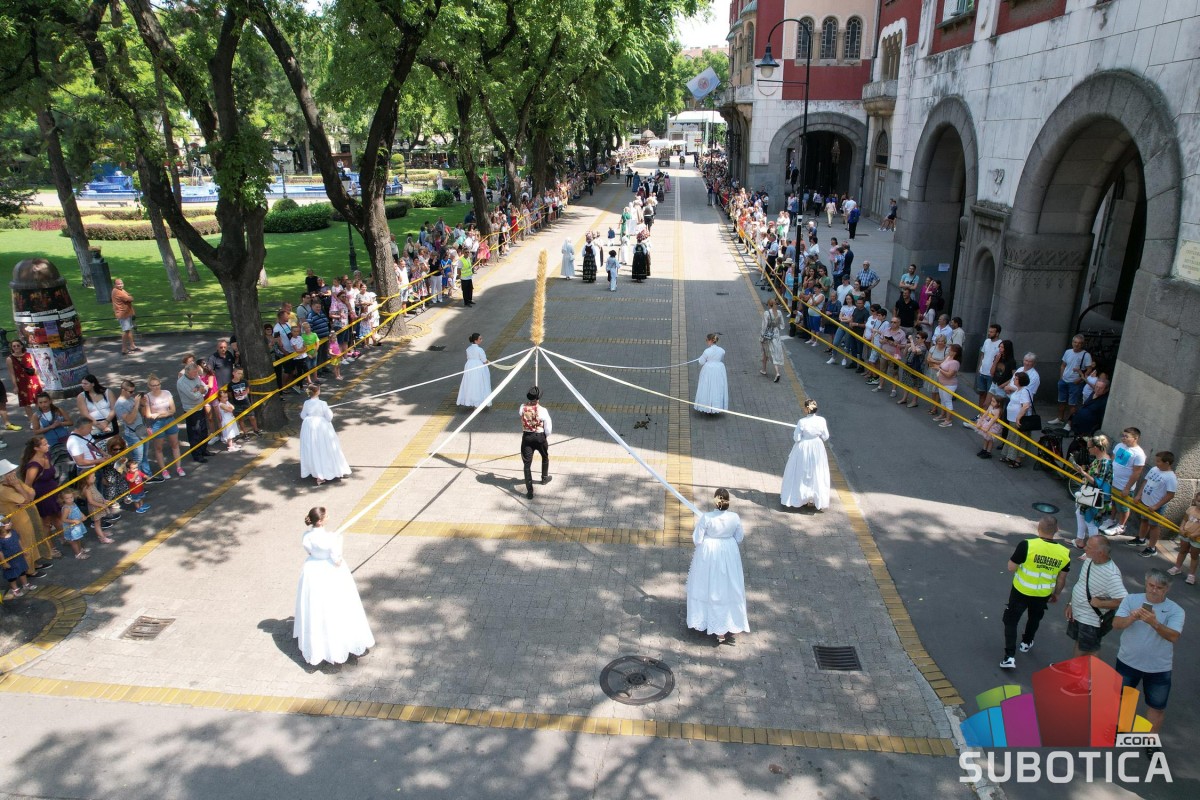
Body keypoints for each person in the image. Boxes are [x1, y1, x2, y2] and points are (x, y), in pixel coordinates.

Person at [293, 507, 375, 666]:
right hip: (331, 573)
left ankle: (320, 645)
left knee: (317, 607)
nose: (328, 517)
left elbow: (310, 552)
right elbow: (337, 560)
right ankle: (341, 643)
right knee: (339, 605)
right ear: (320, 521)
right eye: (326, 516)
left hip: (313, 572)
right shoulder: (332, 538)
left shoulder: (306, 536)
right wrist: (338, 543)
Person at [1112, 569, 1184, 734]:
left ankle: (1150, 739)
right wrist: (1132, 618)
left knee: (1157, 707)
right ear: (1146, 583)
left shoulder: (1176, 610)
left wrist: (1154, 623)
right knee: (1123, 698)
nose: (1153, 590)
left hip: (1158, 668)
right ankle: (1121, 728)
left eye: (1159, 587)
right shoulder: (1131, 599)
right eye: (1151, 585)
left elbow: (1173, 636)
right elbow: (1116, 624)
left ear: (1167, 589)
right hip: (1127, 662)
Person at [999, 516, 1071, 669]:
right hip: (1042, 594)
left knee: (1011, 620)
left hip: (1021, 591)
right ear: (1057, 530)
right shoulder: (1064, 552)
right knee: (1034, 618)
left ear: (1038, 529)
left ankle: (1009, 656)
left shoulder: (1027, 545)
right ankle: (1026, 642)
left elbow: (1011, 567)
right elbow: (1061, 578)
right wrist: (1056, 594)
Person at [686, 488, 749, 646]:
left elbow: (697, 539)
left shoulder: (707, 517)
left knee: (707, 585)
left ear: (715, 501)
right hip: (729, 553)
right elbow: (739, 537)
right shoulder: (734, 517)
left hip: (709, 554)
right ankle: (728, 623)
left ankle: (705, 620)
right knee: (729, 586)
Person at [1065, 535, 1126, 658]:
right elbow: (1081, 583)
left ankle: (1083, 670)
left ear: (1101, 553)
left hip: (1091, 619)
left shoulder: (1111, 575)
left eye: (1089, 547)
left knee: (1089, 649)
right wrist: (1071, 604)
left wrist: (1101, 604)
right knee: (1080, 643)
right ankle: (1075, 668)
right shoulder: (1089, 560)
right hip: (1079, 613)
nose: (1085, 548)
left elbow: (1124, 600)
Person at [0, 458, 51, 580]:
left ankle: (35, 563)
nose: (14, 473)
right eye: (11, 472)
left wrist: (19, 487)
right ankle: (29, 570)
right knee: (26, 543)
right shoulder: (3, 490)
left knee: (33, 539)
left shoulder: (14, 482)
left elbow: (32, 493)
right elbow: (26, 500)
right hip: (18, 520)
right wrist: (18, 487)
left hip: (27, 515)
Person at [779, 399, 831, 510]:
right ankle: (813, 498)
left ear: (807, 409)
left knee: (801, 472)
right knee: (817, 472)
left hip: (804, 448)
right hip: (817, 447)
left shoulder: (802, 422)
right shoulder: (821, 420)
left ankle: (800, 497)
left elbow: (797, 438)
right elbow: (825, 436)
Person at [299, 385, 351, 486]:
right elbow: (329, 417)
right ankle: (331, 470)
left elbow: (303, 415)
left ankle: (316, 472)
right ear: (318, 392)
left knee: (313, 449)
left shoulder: (306, 403)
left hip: (309, 428)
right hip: (321, 428)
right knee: (326, 447)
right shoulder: (323, 403)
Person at [1128, 451, 1177, 558]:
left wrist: (1156, 506)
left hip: (1155, 506)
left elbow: (1170, 495)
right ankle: (1141, 539)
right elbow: (1145, 482)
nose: (1156, 463)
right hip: (1145, 502)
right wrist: (1139, 495)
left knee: (1154, 526)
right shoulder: (1154, 469)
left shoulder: (1171, 477)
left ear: (1167, 463)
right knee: (1144, 520)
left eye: (1159, 461)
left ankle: (1152, 548)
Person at [1101, 427, 1146, 537]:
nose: (1123, 438)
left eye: (1126, 436)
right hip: (1113, 481)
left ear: (1135, 438)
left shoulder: (1139, 454)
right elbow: (1113, 460)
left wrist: (1127, 488)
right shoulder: (1119, 446)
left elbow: (1137, 473)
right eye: (1123, 435)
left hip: (1123, 485)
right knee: (1114, 503)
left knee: (1123, 507)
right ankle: (1111, 520)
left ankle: (1121, 526)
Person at [1071, 434, 1114, 547]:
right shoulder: (1099, 459)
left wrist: (1083, 473)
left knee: (1091, 522)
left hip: (1097, 496)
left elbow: (1097, 482)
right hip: (1090, 493)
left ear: (1095, 448)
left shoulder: (1104, 462)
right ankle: (1080, 540)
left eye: (1089, 447)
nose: (1087, 449)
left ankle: (1092, 548)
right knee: (1080, 513)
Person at [143, 375, 185, 478]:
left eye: (158, 385)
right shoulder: (147, 397)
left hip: (169, 420)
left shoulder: (167, 393)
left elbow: (173, 410)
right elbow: (148, 415)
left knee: (175, 444)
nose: (156, 387)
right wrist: (164, 413)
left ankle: (179, 467)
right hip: (156, 423)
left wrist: (158, 414)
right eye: (153, 385)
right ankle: (164, 470)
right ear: (149, 386)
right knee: (158, 447)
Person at [1051, 335, 1092, 428]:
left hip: (1075, 383)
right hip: (1064, 380)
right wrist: (1061, 377)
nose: (1077, 345)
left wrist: (1080, 379)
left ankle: (1070, 423)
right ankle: (1060, 418)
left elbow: (1089, 369)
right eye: (1075, 342)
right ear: (1072, 342)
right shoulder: (1068, 352)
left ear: (1082, 344)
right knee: (1061, 400)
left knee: (1072, 403)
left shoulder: (1086, 355)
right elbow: (1063, 365)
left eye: (1079, 343)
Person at [518, 386, 552, 499]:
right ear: (538, 399)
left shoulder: (522, 408)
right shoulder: (543, 410)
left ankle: (530, 491)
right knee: (544, 456)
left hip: (527, 437)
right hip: (539, 437)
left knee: (527, 464)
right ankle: (544, 477)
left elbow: (522, 415)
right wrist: (545, 436)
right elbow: (548, 427)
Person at [177, 362, 211, 464]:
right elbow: (193, 397)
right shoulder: (182, 382)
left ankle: (204, 450)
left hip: (200, 407)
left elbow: (205, 387)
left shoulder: (196, 377)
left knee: (203, 430)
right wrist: (201, 391)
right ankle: (197, 455)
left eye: (197, 372)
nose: (197, 374)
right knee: (195, 433)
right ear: (187, 372)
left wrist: (199, 390)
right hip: (191, 410)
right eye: (194, 372)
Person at [999, 372, 1034, 467]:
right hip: (1012, 419)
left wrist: (1018, 417)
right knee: (1012, 437)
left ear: (1021, 380)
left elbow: (1026, 405)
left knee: (1018, 440)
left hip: (1019, 420)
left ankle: (1017, 460)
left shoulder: (1024, 391)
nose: (1014, 379)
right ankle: (1009, 456)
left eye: (1016, 378)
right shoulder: (1019, 389)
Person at [6, 340, 42, 425]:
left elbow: (34, 368)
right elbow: (12, 373)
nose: (16, 347)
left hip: (33, 379)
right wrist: (15, 386)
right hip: (21, 383)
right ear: (12, 348)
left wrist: (40, 380)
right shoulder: (10, 359)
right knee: (26, 403)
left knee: (39, 400)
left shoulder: (29, 355)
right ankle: (32, 421)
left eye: (18, 345)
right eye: (14, 346)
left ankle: (41, 418)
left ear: (22, 346)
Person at [1168, 491, 1200, 585]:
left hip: (1197, 538)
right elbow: (1185, 519)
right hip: (1185, 534)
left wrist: (1194, 534)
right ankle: (1177, 567)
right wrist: (1181, 528)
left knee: (1194, 555)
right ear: (1195, 500)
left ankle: (1191, 575)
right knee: (1182, 550)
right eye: (1199, 501)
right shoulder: (1191, 509)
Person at [693, 334, 728, 414]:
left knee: (707, 387)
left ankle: (707, 406)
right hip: (719, 370)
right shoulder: (722, 350)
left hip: (708, 370)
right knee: (717, 387)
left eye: (707, 340)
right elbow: (721, 358)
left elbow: (701, 362)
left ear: (710, 341)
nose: (706, 342)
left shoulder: (707, 351)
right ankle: (716, 406)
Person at [1, 517, 35, 598]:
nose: (10, 524)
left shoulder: (13, 532)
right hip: (9, 560)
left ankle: (25, 584)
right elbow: (0, 552)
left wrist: (23, 549)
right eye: (7, 523)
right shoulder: (1, 540)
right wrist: (4, 562)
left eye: (9, 522)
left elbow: (18, 541)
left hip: (18, 557)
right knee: (11, 575)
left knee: (22, 571)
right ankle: (15, 589)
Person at [456, 333, 493, 408]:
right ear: (476, 341)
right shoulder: (480, 350)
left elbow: (468, 358)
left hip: (469, 366)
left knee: (470, 383)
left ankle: (470, 400)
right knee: (479, 383)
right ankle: (479, 400)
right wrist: (487, 362)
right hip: (478, 366)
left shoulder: (468, 349)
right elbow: (484, 360)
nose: (481, 340)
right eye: (480, 339)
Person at [76, 374, 116, 439]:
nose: (83, 385)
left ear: (93, 384)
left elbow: (114, 408)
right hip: (94, 424)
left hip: (110, 421)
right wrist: (98, 425)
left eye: (86, 384)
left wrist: (106, 422)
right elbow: (85, 414)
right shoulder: (81, 396)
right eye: (82, 383)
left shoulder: (107, 392)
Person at [931, 343, 961, 427]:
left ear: (955, 352)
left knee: (948, 401)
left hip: (949, 385)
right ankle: (943, 415)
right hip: (942, 383)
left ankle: (948, 420)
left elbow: (949, 375)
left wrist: (939, 369)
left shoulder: (955, 363)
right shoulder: (948, 358)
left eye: (950, 350)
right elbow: (942, 365)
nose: (948, 351)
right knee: (943, 400)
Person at [760, 297, 786, 383]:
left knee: (767, 352)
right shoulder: (779, 312)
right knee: (773, 352)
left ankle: (776, 372)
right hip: (776, 334)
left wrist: (762, 337)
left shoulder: (767, 313)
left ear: (768, 304)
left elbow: (764, 326)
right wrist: (776, 327)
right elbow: (782, 326)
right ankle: (764, 369)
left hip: (768, 336)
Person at [111, 278, 138, 355]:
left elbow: (128, 297)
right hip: (123, 314)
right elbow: (130, 298)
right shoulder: (117, 292)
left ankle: (132, 346)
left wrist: (129, 296)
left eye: (121, 283)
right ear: (115, 285)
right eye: (118, 284)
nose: (120, 285)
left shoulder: (121, 290)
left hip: (127, 313)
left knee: (129, 330)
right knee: (126, 331)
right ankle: (124, 349)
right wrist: (130, 297)